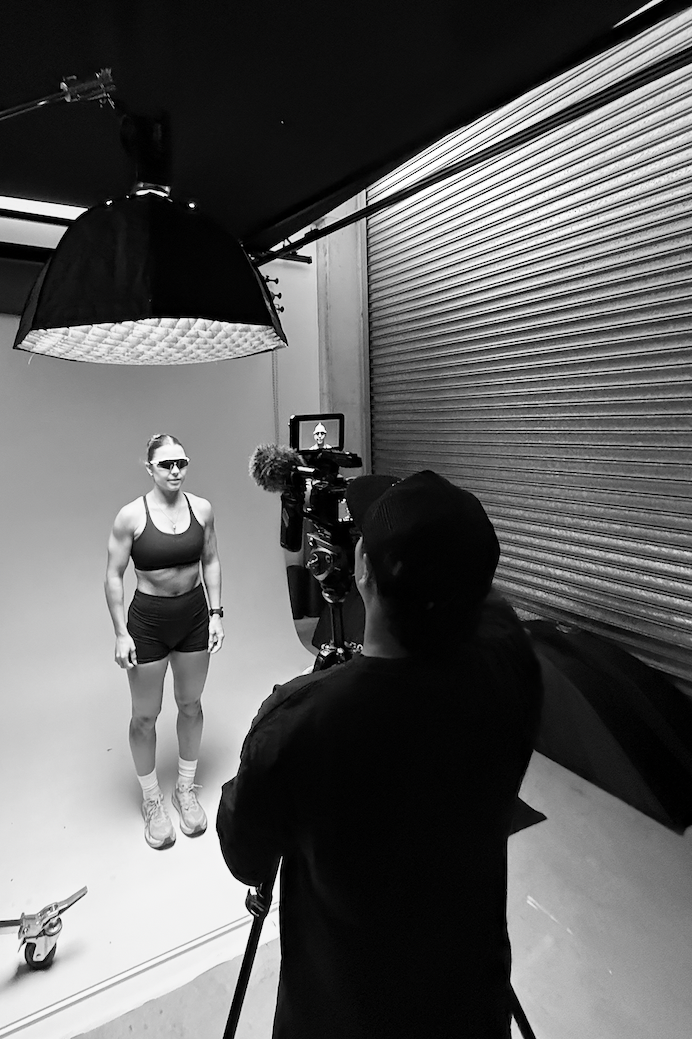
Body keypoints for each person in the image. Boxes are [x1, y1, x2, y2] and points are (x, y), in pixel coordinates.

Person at [217, 469, 543, 1039]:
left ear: (363, 570)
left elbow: (246, 855)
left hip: (342, 1013)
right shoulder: (511, 670)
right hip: (468, 1004)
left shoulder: (298, 723)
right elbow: (477, 604)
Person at [105, 433, 224, 850]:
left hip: (192, 617)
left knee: (191, 704)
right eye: (166, 464)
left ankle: (185, 789)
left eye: (181, 463)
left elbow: (210, 560)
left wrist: (215, 615)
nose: (175, 471)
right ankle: (152, 800)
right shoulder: (130, 517)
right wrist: (121, 633)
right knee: (145, 717)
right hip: (149, 623)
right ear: (150, 467)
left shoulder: (202, 509)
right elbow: (112, 576)